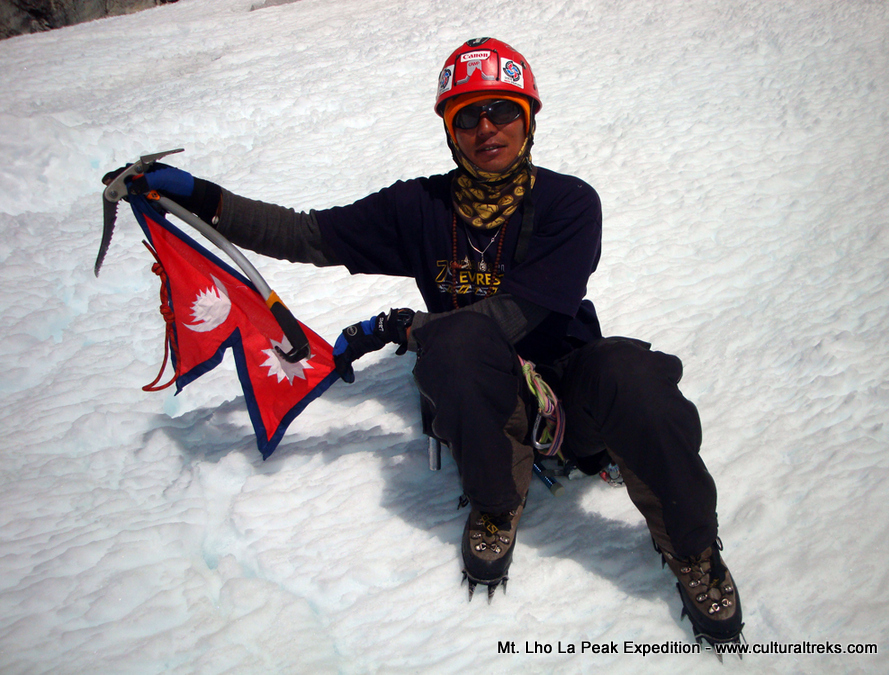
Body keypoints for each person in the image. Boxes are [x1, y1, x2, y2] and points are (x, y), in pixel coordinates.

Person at [115, 37, 743, 645]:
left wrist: (405, 327)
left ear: (528, 120)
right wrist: (202, 197)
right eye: (467, 116)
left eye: (502, 111)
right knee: (461, 343)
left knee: (632, 373)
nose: (486, 128)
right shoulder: (419, 207)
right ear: (449, 129)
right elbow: (306, 235)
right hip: (480, 399)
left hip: (570, 393)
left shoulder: (569, 204)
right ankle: (496, 504)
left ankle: (692, 550)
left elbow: (520, 312)